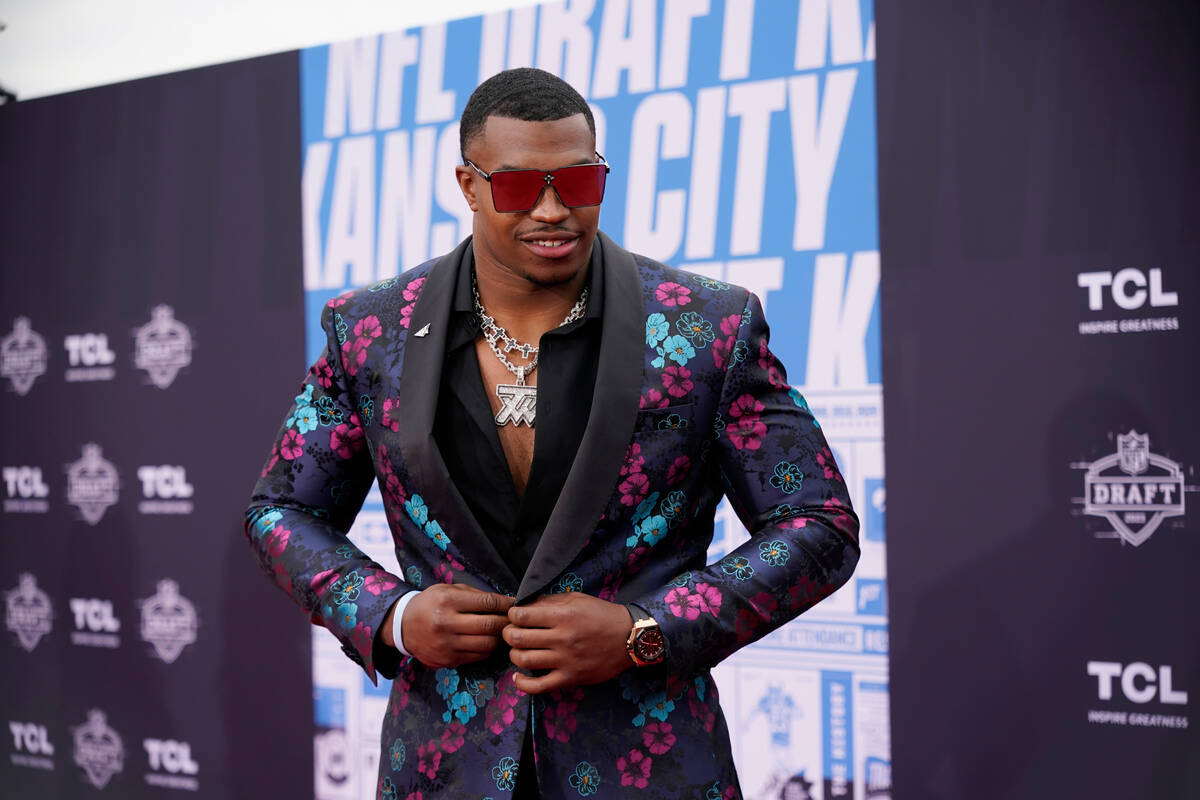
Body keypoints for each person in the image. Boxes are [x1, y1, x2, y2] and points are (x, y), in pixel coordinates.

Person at [246, 67, 859, 800]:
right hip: (444, 769)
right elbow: (280, 511)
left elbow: (818, 524)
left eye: (578, 181)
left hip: (651, 768)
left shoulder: (707, 327)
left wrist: (645, 630)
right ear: (468, 186)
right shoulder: (371, 331)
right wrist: (394, 616)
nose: (552, 210)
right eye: (516, 187)